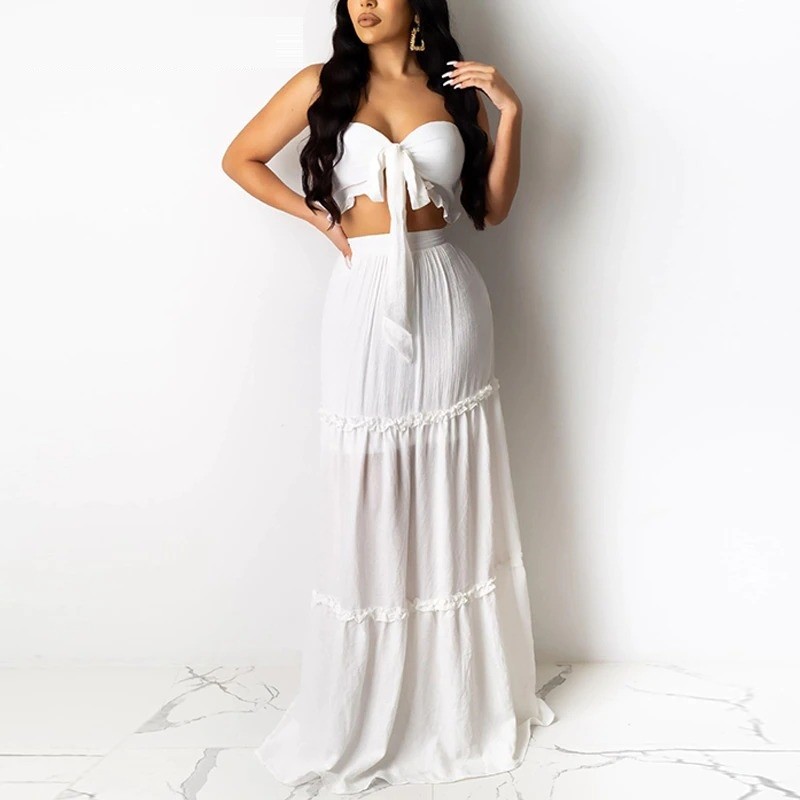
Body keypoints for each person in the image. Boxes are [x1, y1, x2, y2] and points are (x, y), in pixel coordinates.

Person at [221, 0, 555, 793]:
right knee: (368, 484)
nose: (363, 3)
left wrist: (511, 112)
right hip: (365, 296)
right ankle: (368, 698)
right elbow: (241, 158)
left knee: (448, 483)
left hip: (446, 293)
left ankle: (455, 696)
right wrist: (317, 217)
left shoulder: (454, 91)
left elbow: (492, 209)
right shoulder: (321, 83)